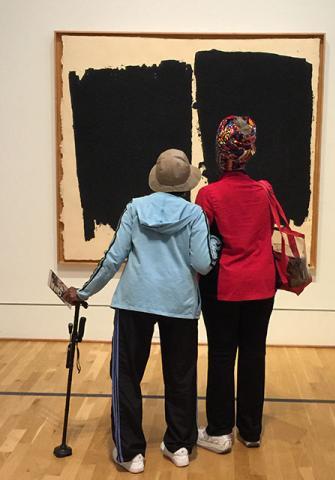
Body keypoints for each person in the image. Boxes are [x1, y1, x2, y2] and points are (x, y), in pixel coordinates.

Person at [63, 149, 220, 473]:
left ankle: (130, 452)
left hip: (135, 301)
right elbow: (203, 263)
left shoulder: (135, 208)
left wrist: (84, 292)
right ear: (185, 183)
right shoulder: (193, 215)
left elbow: (112, 258)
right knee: (181, 377)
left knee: (126, 377)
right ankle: (178, 446)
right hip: (179, 304)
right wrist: (214, 246)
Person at [195, 115, 276, 454]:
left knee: (222, 354)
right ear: (250, 151)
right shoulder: (264, 190)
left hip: (223, 287)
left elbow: (199, 246)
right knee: (254, 355)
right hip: (262, 285)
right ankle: (251, 430)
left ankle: (218, 431)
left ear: (220, 152)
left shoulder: (208, 195)